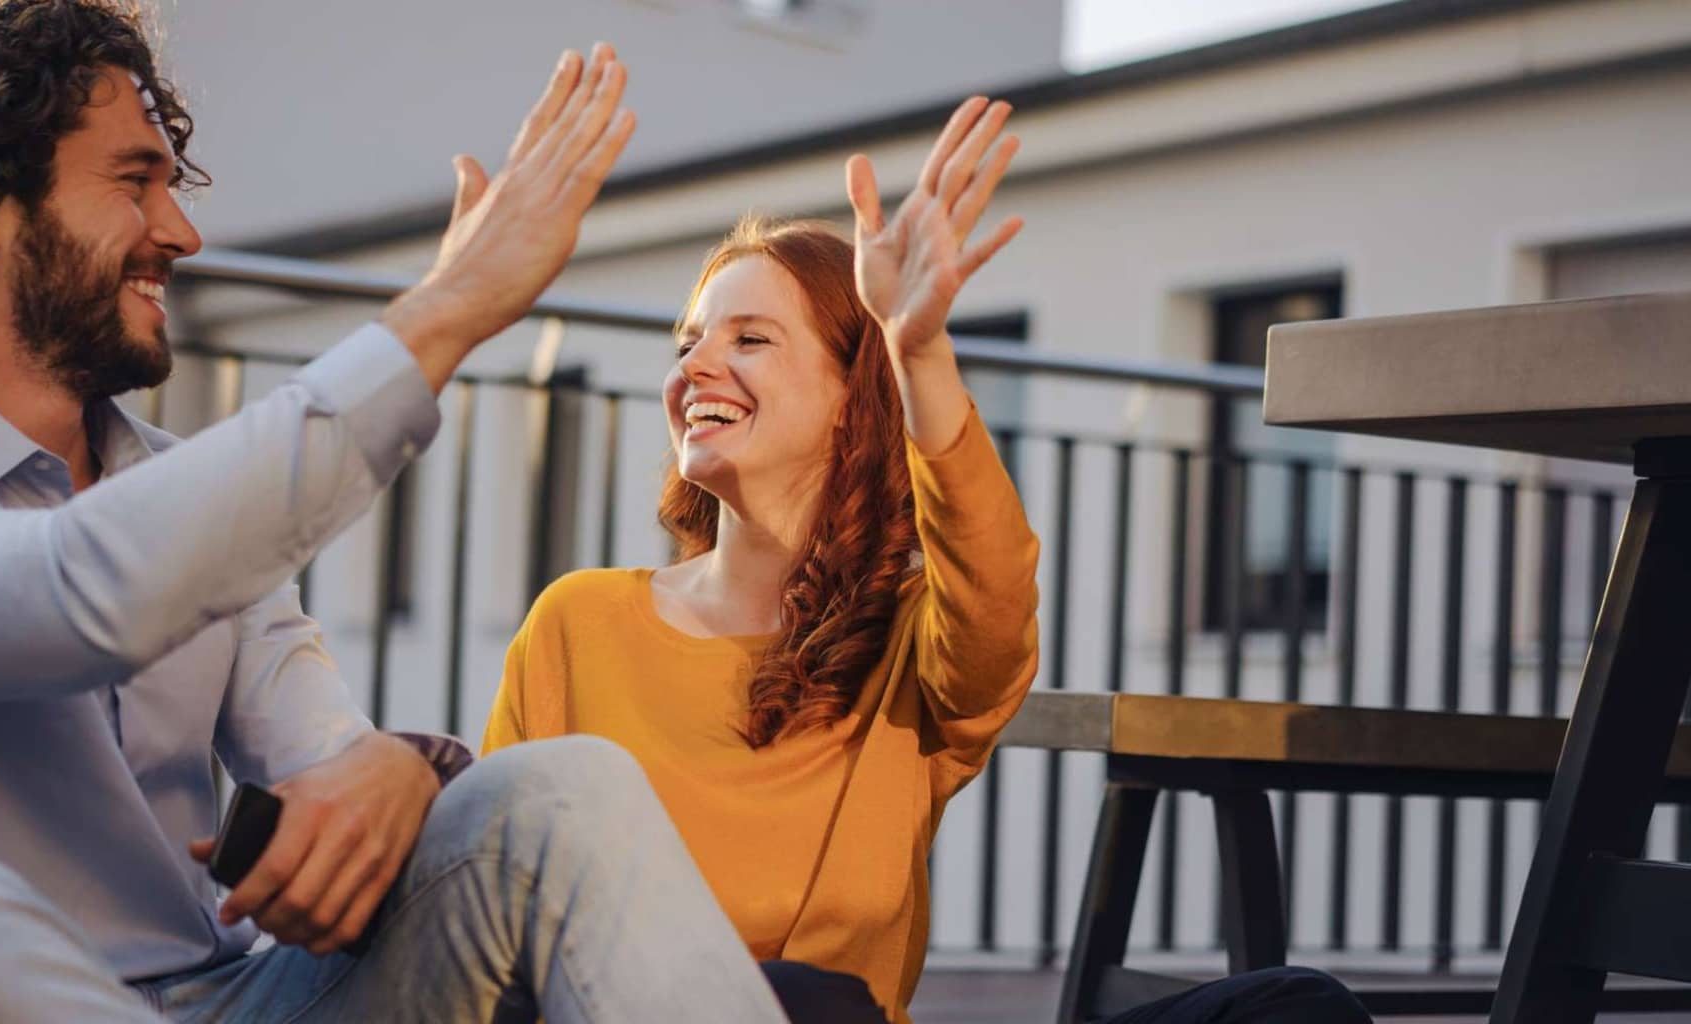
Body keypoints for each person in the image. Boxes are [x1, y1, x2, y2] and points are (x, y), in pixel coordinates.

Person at [0, 2, 793, 1021]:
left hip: (229, 999)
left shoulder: (182, 492)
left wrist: (405, 774)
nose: (180, 233)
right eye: (134, 182)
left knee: (564, 786)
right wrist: (442, 316)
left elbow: (327, 760)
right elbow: (67, 592)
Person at [482, 99, 1373, 1024]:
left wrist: (918, 351)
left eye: (747, 339)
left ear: (849, 400)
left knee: (1295, 1009)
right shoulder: (576, 625)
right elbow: (488, 916)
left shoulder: (908, 642)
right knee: (797, 1003)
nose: (695, 366)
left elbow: (993, 604)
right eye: (689, 342)